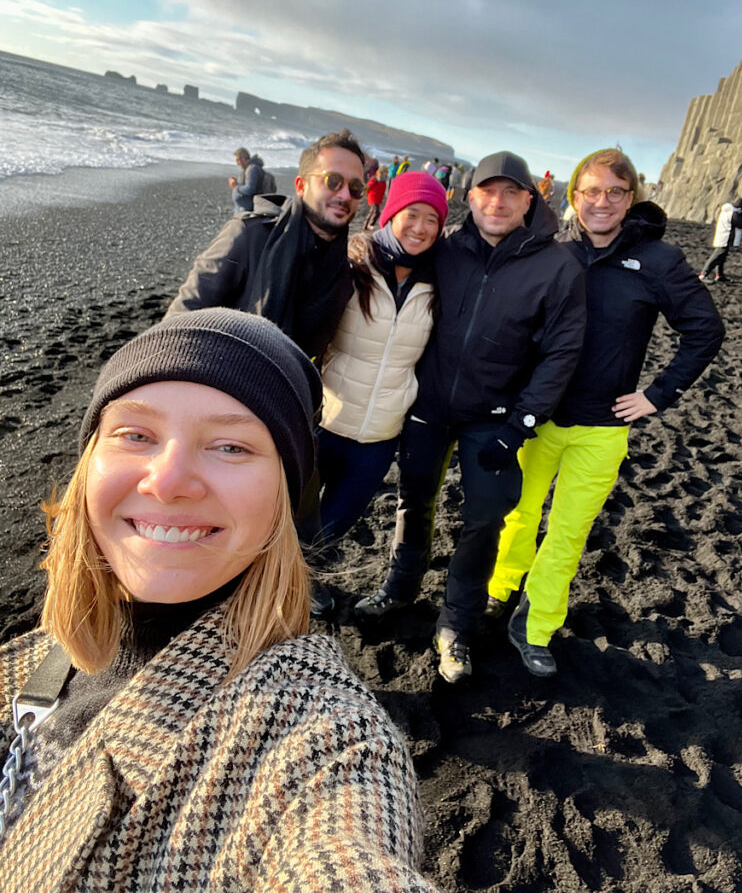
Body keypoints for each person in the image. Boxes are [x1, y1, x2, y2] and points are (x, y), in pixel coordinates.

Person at [0, 309, 439, 892]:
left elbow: (343, 855)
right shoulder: (30, 658)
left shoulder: (321, 735)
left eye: (231, 446)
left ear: (283, 500)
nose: (169, 479)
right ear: (89, 465)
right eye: (136, 434)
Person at [488, 148, 725, 678]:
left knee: (568, 532)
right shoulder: (552, 251)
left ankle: (537, 624)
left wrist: (658, 395)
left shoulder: (659, 260)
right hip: (539, 416)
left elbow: (705, 330)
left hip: (603, 427)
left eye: (615, 192)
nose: (602, 202)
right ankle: (501, 586)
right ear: (573, 197)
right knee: (519, 513)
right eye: (591, 191)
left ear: (631, 199)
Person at [355, 151, 587, 684]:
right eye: (488, 190)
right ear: (470, 196)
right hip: (428, 406)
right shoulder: (448, 248)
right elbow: (389, 264)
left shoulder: (557, 267)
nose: (498, 202)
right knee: (414, 499)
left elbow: (561, 354)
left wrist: (520, 426)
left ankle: (455, 624)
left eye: (511, 192)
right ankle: (400, 586)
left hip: (496, 419)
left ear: (532, 199)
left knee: (484, 519)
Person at [313, 172, 447, 549]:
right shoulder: (353, 265)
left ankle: (303, 583)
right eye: (412, 214)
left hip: (379, 436)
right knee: (289, 518)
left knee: (333, 527)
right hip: (325, 422)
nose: (420, 228)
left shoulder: (440, 281)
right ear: (390, 214)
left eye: (432, 219)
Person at [167, 129, 366, 361]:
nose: (344, 195)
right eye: (333, 181)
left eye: (355, 188)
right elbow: (183, 316)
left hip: (286, 392)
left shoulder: (342, 271)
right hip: (221, 383)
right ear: (301, 186)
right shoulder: (250, 235)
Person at [699, 197, 742, 283]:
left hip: (723, 236)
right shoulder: (732, 213)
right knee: (716, 257)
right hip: (725, 237)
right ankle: (703, 274)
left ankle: (719, 275)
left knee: (721, 258)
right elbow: (740, 224)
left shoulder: (727, 211)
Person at [228, 146, 265, 212]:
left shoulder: (252, 169)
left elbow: (250, 189)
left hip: (248, 209)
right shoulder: (249, 169)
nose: (237, 163)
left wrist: (236, 187)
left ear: (243, 159)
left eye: (237, 160)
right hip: (243, 208)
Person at [364, 164, 388, 229]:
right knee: (376, 212)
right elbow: (368, 187)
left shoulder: (384, 181)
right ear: (382, 171)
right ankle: (370, 224)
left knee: (372, 212)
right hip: (373, 197)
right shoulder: (375, 179)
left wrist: (382, 199)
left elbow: (383, 191)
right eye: (386, 171)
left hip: (378, 198)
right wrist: (367, 194)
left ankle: (365, 226)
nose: (387, 173)